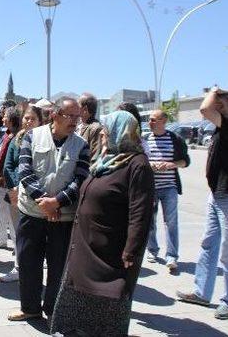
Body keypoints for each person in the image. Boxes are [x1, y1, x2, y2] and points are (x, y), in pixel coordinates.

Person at [50, 110, 155, 336]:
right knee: (76, 311)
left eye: (107, 133)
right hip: (85, 248)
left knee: (105, 311)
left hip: (110, 253)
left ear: (122, 133)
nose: (104, 136)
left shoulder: (138, 166)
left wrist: (131, 252)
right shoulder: (105, 160)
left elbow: (141, 213)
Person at [8, 98, 90, 322]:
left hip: (61, 217)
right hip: (32, 213)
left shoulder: (81, 144)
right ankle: (30, 308)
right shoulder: (32, 137)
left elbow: (80, 178)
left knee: (58, 266)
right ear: (54, 115)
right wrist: (45, 202)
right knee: (28, 262)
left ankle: (54, 310)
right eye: (69, 116)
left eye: (77, 116)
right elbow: (25, 171)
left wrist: (57, 202)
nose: (74, 121)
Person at [177, 87, 228, 320]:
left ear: (224, 107)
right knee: (208, 244)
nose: (214, 109)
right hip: (216, 196)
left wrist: (215, 91)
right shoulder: (223, 129)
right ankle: (201, 292)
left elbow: (204, 108)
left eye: (218, 105)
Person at [0, 105, 43, 282]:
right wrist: (15, 187)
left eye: (33, 118)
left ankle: (32, 270)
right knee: (18, 233)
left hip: (36, 195)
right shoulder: (16, 139)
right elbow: (8, 165)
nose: (28, 121)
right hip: (15, 193)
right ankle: (18, 267)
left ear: (41, 121)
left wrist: (28, 188)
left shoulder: (44, 140)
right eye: (26, 118)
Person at [145, 109, 190, 273]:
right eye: (149, 120)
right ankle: (152, 249)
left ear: (163, 121)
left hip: (169, 187)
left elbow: (186, 161)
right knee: (149, 220)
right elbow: (139, 160)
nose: (150, 122)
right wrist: (149, 165)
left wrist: (171, 165)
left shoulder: (175, 139)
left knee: (171, 222)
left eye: (153, 120)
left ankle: (172, 256)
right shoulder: (145, 139)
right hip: (150, 187)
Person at [0, 106, 21, 250]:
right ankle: (1, 239)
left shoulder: (18, 137)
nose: (2, 119)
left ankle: (16, 245)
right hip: (0, 181)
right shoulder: (5, 135)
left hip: (10, 183)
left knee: (12, 215)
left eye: (5, 116)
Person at [77, 93, 103, 163]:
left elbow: (94, 157)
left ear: (85, 109)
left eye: (78, 105)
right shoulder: (77, 126)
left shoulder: (96, 128)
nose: (75, 108)